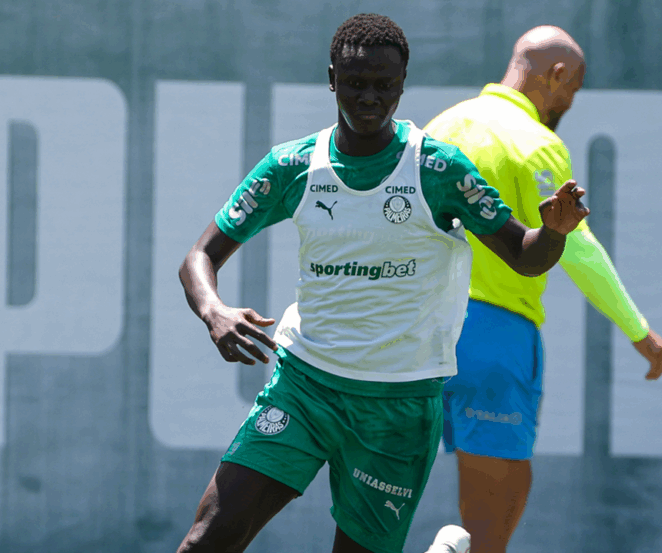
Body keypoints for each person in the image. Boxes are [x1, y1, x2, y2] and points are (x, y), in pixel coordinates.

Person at [174, 14, 587, 553]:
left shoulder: (437, 168)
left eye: (384, 85)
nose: (369, 97)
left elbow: (525, 256)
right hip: (305, 388)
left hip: (399, 407)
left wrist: (553, 233)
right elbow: (199, 256)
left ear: (402, 83)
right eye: (355, 83)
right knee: (206, 540)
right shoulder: (292, 166)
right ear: (331, 80)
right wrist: (214, 311)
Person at [423, 25, 662, 553]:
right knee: (495, 509)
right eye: (573, 89)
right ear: (556, 76)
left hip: (415, 333)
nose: (569, 103)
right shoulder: (536, 142)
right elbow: (575, 249)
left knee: (382, 494)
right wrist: (638, 330)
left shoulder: (439, 127)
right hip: (493, 336)